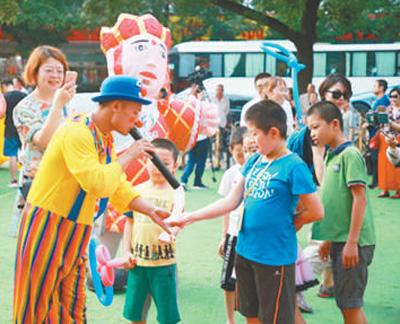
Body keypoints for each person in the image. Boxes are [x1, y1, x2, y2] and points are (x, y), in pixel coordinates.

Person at [13, 75, 172, 323]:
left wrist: (149, 209)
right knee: (38, 303)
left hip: (76, 228)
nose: (137, 119)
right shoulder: (76, 131)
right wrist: (130, 154)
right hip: (47, 223)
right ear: (116, 105)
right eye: (134, 111)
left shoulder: (103, 138)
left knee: (73, 305)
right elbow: (97, 183)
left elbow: (115, 185)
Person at [170, 100, 324, 324]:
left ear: (273, 132)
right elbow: (232, 200)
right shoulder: (255, 161)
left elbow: (316, 211)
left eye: (254, 133)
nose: (250, 140)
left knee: (276, 318)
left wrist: (293, 222)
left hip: (274, 257)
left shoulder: (293, 165)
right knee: (250, 313)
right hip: (245, 250)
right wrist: (190, 216)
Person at [307, 101, 375, 324]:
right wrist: (328, 238)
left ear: (335, 124)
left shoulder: (350, 155)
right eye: (310, 129)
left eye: (316, 127)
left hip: (353, 242)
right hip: (340, 240)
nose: (312, 134)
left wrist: (352, 242)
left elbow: (359, 199)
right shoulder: (331, 155)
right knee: (345, 303)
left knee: (350, 305)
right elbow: (334, 200)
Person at [10, 45, 76, 236]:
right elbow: (44, 141)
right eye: (49, 70)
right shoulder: (24, 108)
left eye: (60, 71)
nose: (55, 75)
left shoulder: (69, 103)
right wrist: (58, 105)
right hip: (39, 184)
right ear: (35, 72)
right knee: (39, 247)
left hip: (68, 182)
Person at [122, 138, 180, 324]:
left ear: (175, 166)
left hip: (164, 265)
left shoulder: (177, 194)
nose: (158, 168)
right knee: (135, 314)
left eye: (165, 164)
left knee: (167, 316)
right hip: (137, 264)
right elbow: (129, 223)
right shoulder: (136, 191)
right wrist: (126, 252)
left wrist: (170, 233)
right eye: (154, 162)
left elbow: (178, 222)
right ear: (145, 161)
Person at [217, 126, 247, 324]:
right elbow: (226, 207)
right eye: (239, 153)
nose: (243, 157)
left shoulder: (260, 169)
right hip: (233, 234)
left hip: (251, 235)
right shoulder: (231, 174)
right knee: (228, 282)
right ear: (231, 150)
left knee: (249, 282)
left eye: (246, 151)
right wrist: (224, 235)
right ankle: (230, 320)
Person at [180, 86, 210, 190]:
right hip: (202, 137)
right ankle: (197, 182)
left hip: (193, 137)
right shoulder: (202, 105)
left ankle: (183, 180)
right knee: (200, 160)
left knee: (191, 160)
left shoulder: (190, 105)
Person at [375, 87, 400, 198]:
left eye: (395, 96)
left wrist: (392, 124)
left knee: (397, 166)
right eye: (391, 96)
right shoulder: (385, 109)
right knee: (383, 165)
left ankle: (398, 190)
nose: (392, 99)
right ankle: (384, 189)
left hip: (398, 139)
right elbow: (379, 123)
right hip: (385, 138)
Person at [2, 79, 26, 186]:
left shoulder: (4, 97)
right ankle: (26, 178)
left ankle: (14, 180)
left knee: (12, 155)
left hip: (10, 129)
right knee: (26, 153)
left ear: (5, 86)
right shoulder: (23, 95)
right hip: (23, 128)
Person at [369, 79, 391, 188]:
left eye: (375, 85)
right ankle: (376, 180)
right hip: (374, 133)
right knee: (375, 158)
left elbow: (381, 118)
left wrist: (370, 122)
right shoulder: (378, 101)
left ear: (381, 88)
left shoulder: (384, 101)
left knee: (377, 158)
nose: (373, 87)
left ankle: (377, 181)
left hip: (379, 133)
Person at [212, 84, 230, 169]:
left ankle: (218, 162)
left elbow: (226, 112)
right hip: (213, 125)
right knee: (214, 144)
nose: (219, 91)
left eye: (220, 90)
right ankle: (215, 161)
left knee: (220, 144)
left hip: (222, 124)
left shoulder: (226, 100)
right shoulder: (212, 99)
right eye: (217, 90)